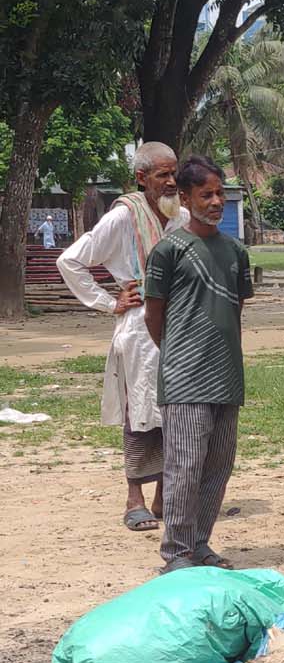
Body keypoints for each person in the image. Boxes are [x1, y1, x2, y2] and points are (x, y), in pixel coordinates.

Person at [57, 142, 186, 532]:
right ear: (141, 178)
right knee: (140, 411)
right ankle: (135, 499)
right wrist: (108, 301)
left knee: (176, 412)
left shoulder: (179, 216)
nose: (170, 181)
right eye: (162, 175)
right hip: (139, 329)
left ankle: (166, 495)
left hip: (178, 326)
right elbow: (71, 260)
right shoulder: (123, 218)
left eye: (173, 173)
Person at [143, 156, 253, 573]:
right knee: (184, 466)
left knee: (217, 465)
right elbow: (155, 315)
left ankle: (200, 543)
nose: (215, 202)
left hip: (226, 376)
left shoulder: (235, 253)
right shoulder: (168, 251)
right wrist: (177, 356)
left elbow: (235, 311)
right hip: (185, 378)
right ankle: (176, 552)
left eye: (219, 194)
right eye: (205, 194)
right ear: (185, 198)